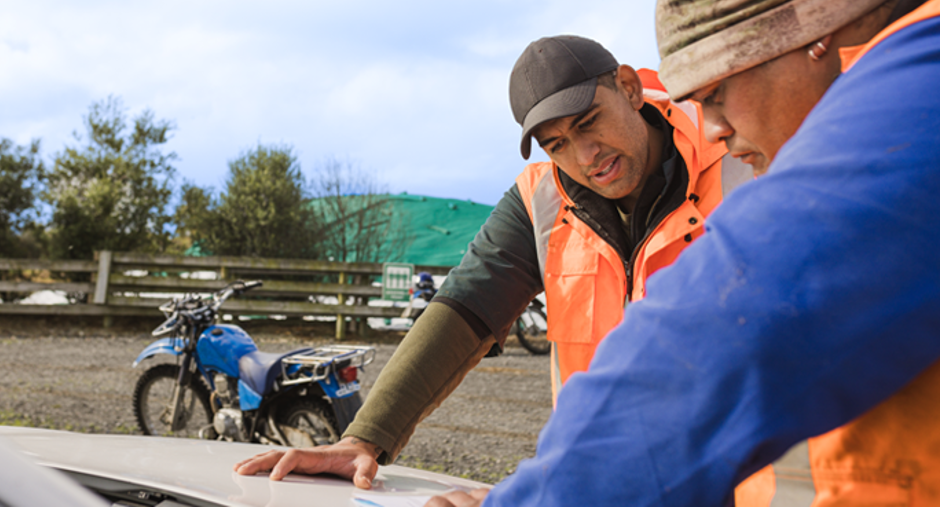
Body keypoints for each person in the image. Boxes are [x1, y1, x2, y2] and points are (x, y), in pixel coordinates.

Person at [432, 0, 940, 506]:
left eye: (719, 93)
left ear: (813, 35)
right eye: (557, 143)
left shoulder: (918, 96)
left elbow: (733, 327)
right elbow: (466, 300)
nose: (715, 128)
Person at [235, 35, 740, 486]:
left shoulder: (744, 160)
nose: (587, 156)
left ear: (628, 87)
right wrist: (363, 438)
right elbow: (464, 307)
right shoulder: (542, 201)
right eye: (557, 144)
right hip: (596, 484)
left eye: (590, 122)